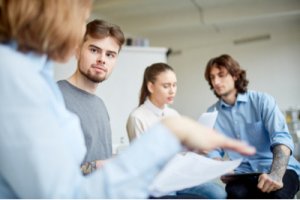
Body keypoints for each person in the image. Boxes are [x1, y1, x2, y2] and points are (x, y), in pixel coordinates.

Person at [0, 1, 256, 197]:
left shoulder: (53, 85)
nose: (102, 59)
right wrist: (168, 135)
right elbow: (69, 191)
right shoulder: (18, 78)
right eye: (82, 16)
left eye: (110, 54)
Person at [204, 54, 300, 199]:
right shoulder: (212, 113)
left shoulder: (262, 101)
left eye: (221, 75)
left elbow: (282, 139)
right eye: (212, 77)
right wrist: (221, 168)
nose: (216, 81)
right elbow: (213, 150)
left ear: (235, 75)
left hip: (278, 169)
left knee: (277, 195)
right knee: (234, 195)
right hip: (242, 174)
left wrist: (275, 174)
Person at [127, 63, 227, 199]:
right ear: (151, 87)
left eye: (174, 85)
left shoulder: (173, 114)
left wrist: (196, 149)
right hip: (157, 183)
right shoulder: (137, 118)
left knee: (218, 193)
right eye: (166, 86)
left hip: (179, 177)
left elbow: (181, 152)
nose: (172, 91)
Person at [57, 19, 125, 175]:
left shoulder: (100, 106)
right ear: (77, 50)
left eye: (110, 55)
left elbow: (99, 160)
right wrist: (96, 166)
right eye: (94, 50)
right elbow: (52, 172)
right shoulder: (56, 97)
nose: (102, 59)